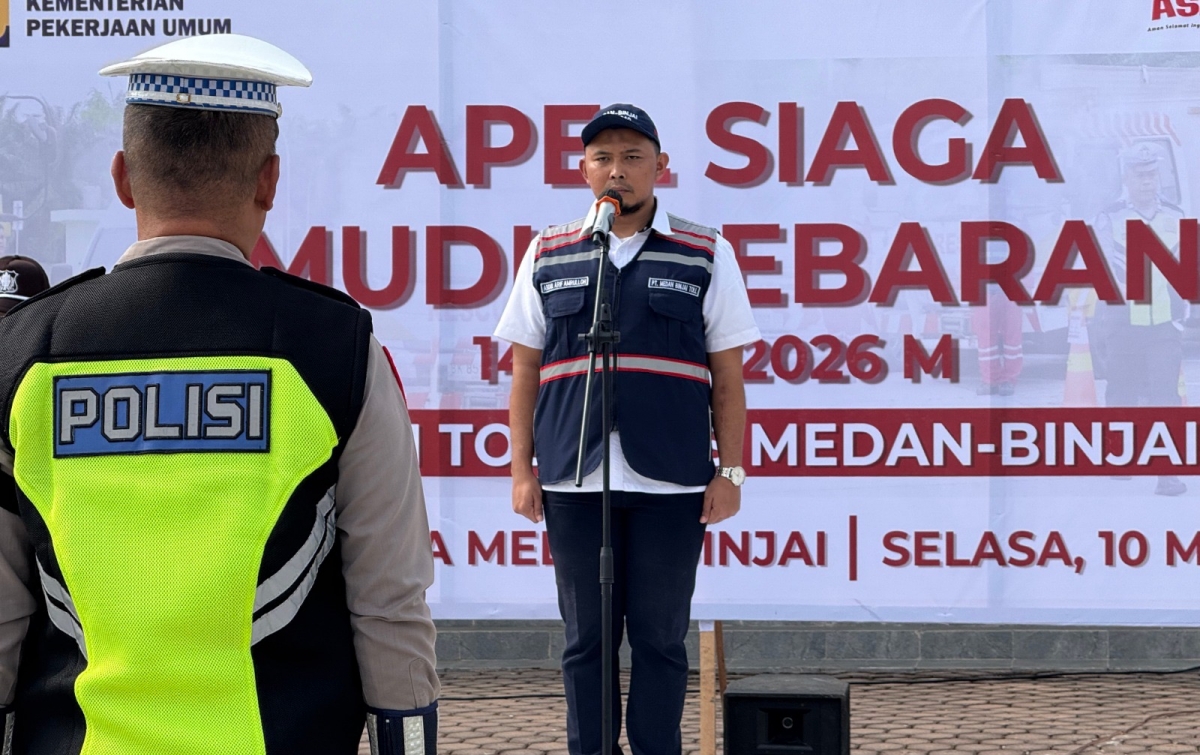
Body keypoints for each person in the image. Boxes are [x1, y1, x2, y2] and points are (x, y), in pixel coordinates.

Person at [0, 35, 438, 755]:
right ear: (268, 180)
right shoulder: (337, 350)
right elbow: (390, 603)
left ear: (122, 176)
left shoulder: (23, 355)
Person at [495, 104, 760, 755]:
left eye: (633, 156)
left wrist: (731, 471)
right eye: (603, 157)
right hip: (573, 477)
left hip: (671, 479)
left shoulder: (705, 250)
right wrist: (520, 469)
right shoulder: (550, 250)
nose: (618, 169)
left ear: (661, 167)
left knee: (660, 637)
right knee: (585, 640)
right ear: (583, 170)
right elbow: (525, 368)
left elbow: (727, 375)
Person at [1094, 142, 1187, 496]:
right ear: (1127, 177)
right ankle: (1121, 459)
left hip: (1164, 326)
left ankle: (1167, 474)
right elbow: (1100, 268)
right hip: (1123, 325)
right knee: (1121, 392)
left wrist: (1182, 316)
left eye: (1152, 174)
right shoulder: (1110, 217)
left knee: (1166, 396)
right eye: (1140, 175)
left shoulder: (1177, 217)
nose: (1147, 182)